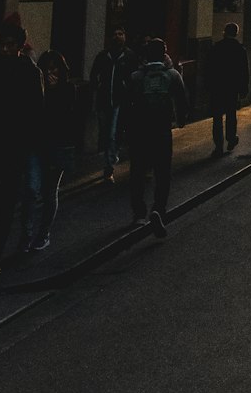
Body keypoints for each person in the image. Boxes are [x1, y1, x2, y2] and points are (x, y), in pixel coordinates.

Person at [0, 20, 43, 277]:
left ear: (19, 46)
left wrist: (31, 147)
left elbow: (36, 113)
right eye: (2, 44)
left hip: (13, 148)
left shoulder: (28, 72)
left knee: (3, 205)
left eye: (10, 45)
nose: (5, 49)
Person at [126, 38, 188, 238]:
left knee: (137, 172)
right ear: (164, 53)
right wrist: (181, 120)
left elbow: (128, 104)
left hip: (140, 131)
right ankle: (159, 209)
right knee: (163, 172)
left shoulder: (136, 77)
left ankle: (138, 213)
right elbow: (182, 100)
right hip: (162, 131)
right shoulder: (172, 76)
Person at [22, 51, 78, 251]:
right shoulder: (37, 88)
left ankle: (43, 233)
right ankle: (26, 236)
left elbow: (66, 118)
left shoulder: (68, 89)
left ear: (61, 70)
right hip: (36, 147)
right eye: (46, 68)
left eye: (54, 68)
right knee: (30, 189)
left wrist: (53, 92)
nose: (50, 72)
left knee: (48, 192)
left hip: (57, 147)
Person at [89, 27, 136, 182]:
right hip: (104, 101)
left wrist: (127, 89)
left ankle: (109, 165)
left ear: (125, 37)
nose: (117, 37)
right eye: (114, 34)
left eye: (120, 34)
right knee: (106, 132)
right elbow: (94, 75)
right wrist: (97, 88)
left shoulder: (129, 56)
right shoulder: (103, 56)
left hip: (119, 101)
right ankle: (109, 160)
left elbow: (134, 77)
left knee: (112, 133)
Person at [206, 23, 249, 158]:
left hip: (218, 87)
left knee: (217, 118)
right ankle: (231, 138)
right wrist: (243, 87)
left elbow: (209, 68)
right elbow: (244, 70)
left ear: (224, 32)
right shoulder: (240, 49)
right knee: (231, 114)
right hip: (232, 87)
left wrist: (209, 86)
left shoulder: (216, 47)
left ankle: (218, 146)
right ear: (236, 33)